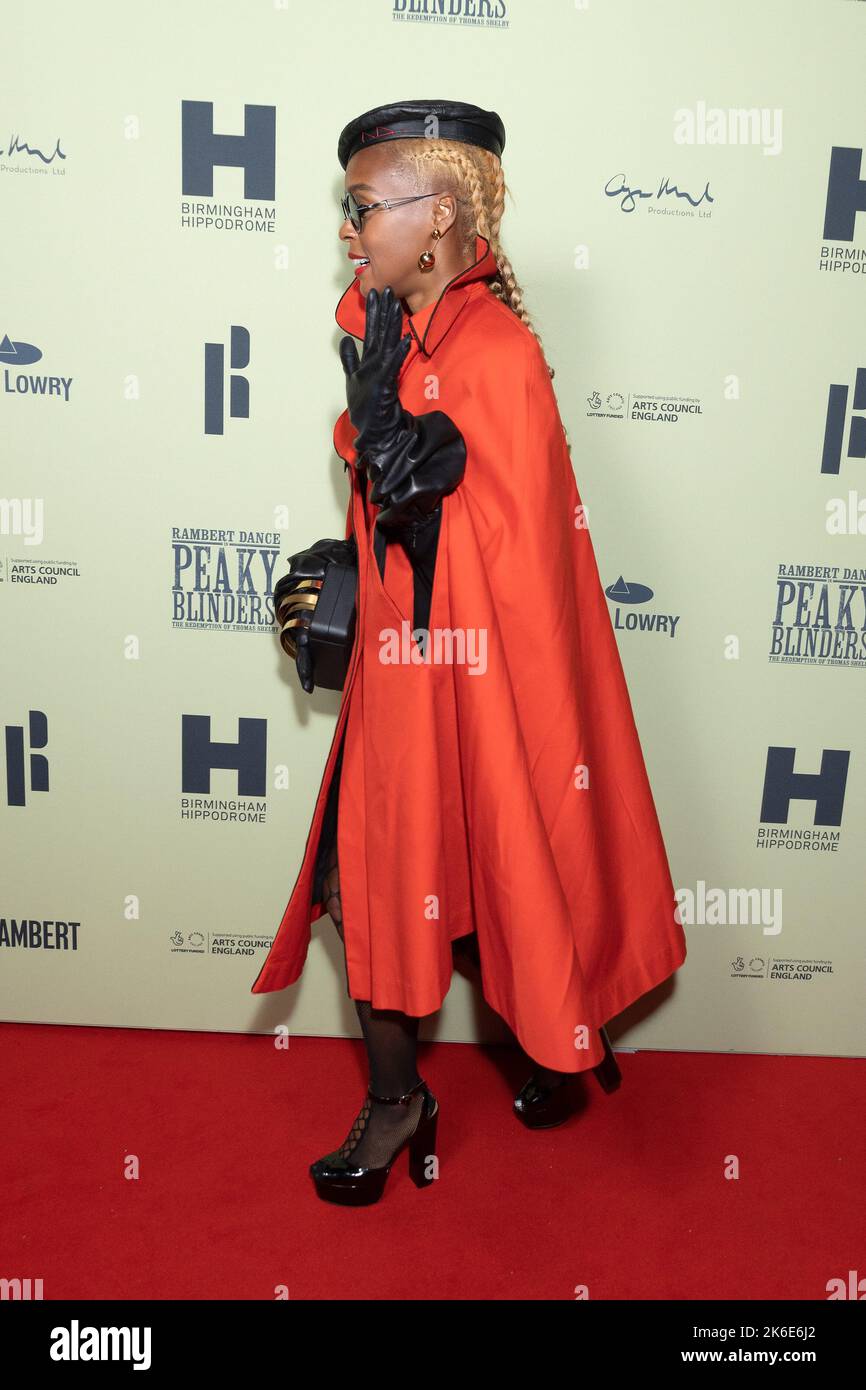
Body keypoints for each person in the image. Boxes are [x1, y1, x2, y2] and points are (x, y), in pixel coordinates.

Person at [251, 100, 688, 1206]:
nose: (351, 232)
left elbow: (520, 550)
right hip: (407, 673)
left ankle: (507, 1053)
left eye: (362, 209)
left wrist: (419, 491)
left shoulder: (492, 353)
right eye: (347, 210)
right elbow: (403, 505)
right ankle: (465, 1072)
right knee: (393, 872)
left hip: (477, 679)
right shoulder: (392, 332)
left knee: (473, 852)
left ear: (434, 212)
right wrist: (347, 555)